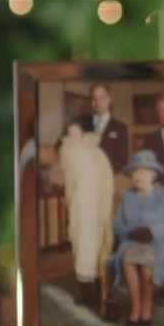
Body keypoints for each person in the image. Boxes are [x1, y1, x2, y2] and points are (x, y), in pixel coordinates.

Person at [110, 150, 164, 326]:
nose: (137, 176)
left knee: (147, 261)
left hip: (158, 241)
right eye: (134, 172)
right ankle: (136, 307)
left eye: (142, 171)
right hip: (133, 240)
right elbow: (117, 223)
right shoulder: (129, 196)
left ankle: (147, 307)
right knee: (129, 259)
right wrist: (128, 232)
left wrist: (151, 231)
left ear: (153, 174)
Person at [58, 118, 114, 307]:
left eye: (77, 132)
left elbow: (107, 178)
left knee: (96, 244)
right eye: (70, 132)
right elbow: (68, 180)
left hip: (96, 204)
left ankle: (98, 287)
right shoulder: (67, 152)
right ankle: (85, 291)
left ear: (83, 133)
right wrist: (69, 197)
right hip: (79, 206)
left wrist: (105, 203)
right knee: (81, 244)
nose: (74, 136)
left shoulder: (96, 152)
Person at [78, 83, 128, 177]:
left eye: (102, 98)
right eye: (94, 98)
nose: (98, 102)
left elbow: (122, 160)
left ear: (109, 99)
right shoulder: (81, 125)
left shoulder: (120, 128)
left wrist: (102, 174)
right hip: (84, 178)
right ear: (91, 101)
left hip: (108, 179)